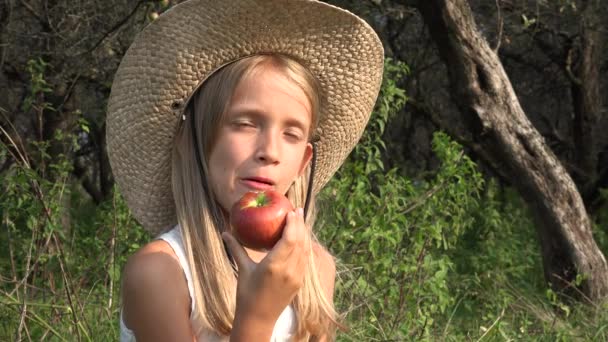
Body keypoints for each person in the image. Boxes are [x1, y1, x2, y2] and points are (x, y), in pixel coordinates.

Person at [105, 0, 384, 341]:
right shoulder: (162, 273)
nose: (269, 152)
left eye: (292, 134)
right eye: (245, 124)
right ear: (190, 138)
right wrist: (257, 315)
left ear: (304, 161)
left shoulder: (313, 269)